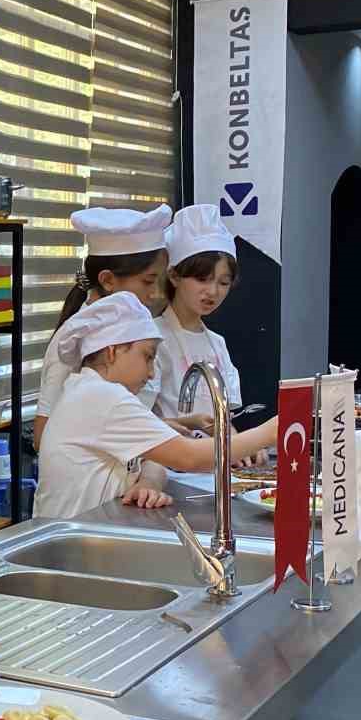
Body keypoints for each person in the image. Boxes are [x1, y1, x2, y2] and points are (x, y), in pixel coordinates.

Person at [35, 292, 280, 519]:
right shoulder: (102, 396)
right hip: (71, 542)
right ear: (112, 351)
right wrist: (270, 432)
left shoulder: (91, 389)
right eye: (148, 356)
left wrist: (148, 482)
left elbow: (153, 460)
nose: (152, 373)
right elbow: (190, 457)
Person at [34, 204, 174, 446]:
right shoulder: (78, 335)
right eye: (148, 281)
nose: (154, 294)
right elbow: (43, 435)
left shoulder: (133, 327)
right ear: (108, 280)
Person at [155, 204, 243, 425]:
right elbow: (137, 421)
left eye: (223, 282)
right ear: (174, 276)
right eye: (202, 279)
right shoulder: (152, 338)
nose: (213, 292)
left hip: (211, 456)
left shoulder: (217, 344)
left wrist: (242, 446)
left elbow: (225, 423)